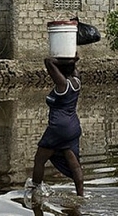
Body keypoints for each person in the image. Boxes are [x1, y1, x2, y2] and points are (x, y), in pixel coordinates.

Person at [31, 56, 84, 196]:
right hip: (73, 127)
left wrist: (61, 59)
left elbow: (48, 61)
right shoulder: (76, 81)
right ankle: (81, 195)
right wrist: (71, 56)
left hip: (58, 128)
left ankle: (35, 192)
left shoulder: (63, 85)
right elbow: (73, 65)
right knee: (75, 165)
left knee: (39, 160)